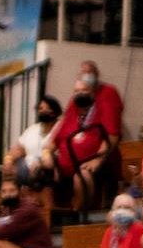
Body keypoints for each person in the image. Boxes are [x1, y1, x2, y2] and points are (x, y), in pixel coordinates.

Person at [48, 75, 120, 210]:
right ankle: (50, 214)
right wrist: (46, 155)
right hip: (65, 165)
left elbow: (108, 139)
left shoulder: (101, 109)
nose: (80, 94)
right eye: (76, 91)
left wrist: (98, 159)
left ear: (92, 93)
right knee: (42, 170)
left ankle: (76, 216)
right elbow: (54, 141)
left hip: (88, 165)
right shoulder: (71, 110)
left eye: (84, 90)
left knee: (82, 177)